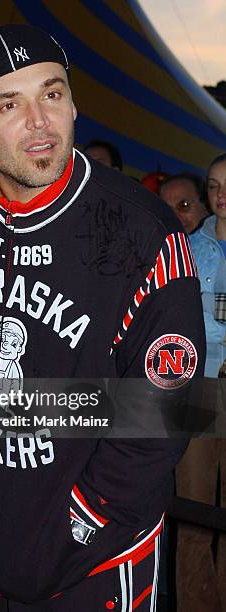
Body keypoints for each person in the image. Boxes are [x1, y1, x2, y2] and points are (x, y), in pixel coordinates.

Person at [0, 24, 205, 611]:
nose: (40, 122)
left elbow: (173, 404)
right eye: (8, 104)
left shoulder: (142, 231)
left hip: (89, 562)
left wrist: (80, 520)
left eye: (53, 93)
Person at [176, 154, 226, 612]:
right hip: (200, 388)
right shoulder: (190, 249)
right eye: (213, 186)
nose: (221, 196)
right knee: (193, 511)